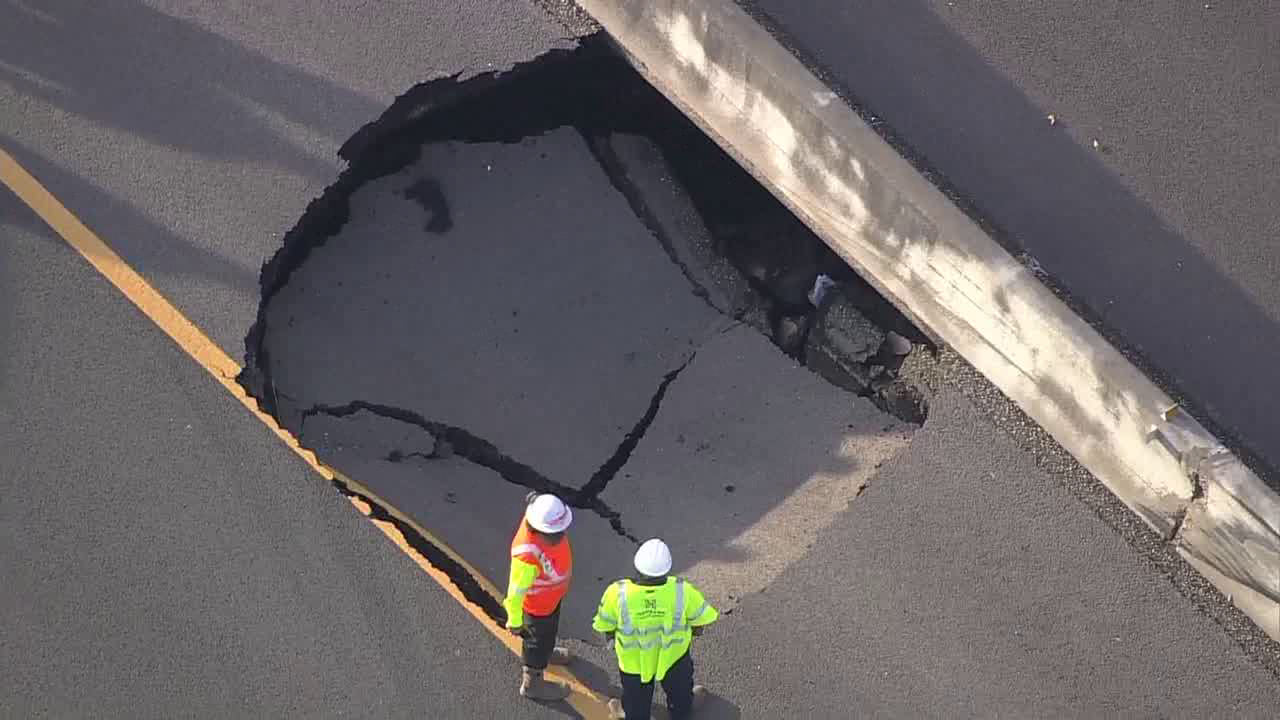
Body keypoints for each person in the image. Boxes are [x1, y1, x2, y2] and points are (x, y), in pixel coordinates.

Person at [592, 538, 718, 719]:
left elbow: (606, 626)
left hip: (634, 661)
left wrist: (614, 637)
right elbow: (700, 624)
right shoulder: (682, 590)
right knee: (680, 689)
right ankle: (682, 711)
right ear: (667, 570)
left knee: (636, 697)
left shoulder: (617, 593)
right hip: (673, 656)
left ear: (637, 567)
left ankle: (632, 713)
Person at [504, 492, 574, 701]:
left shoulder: (540, 519)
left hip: (550, 601)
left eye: (561, 531)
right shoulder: (526, 556)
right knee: (536, 642)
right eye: (553, 534)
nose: (559, 537)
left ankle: (546, 653)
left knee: (547, 635)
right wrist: (515, 621)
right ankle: (533, 683)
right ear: (538, 529)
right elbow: (514, 594)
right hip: (536, 609)